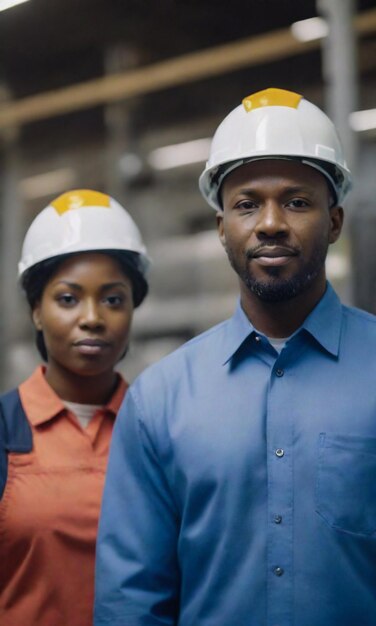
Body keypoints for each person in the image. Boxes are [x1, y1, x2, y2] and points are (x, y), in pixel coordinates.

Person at [94, 88, 376, 626]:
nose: (270, 222)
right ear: (222, 228)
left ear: (334, 222)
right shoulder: (159, 401)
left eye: (297, 201)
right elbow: (131, 600)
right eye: (247, 204)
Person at [0, 188, 150, 626]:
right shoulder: (6, 431)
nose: (92, 317)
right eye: (68, 298)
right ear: (36, 312)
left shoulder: (158, 430)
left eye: (113, 299)